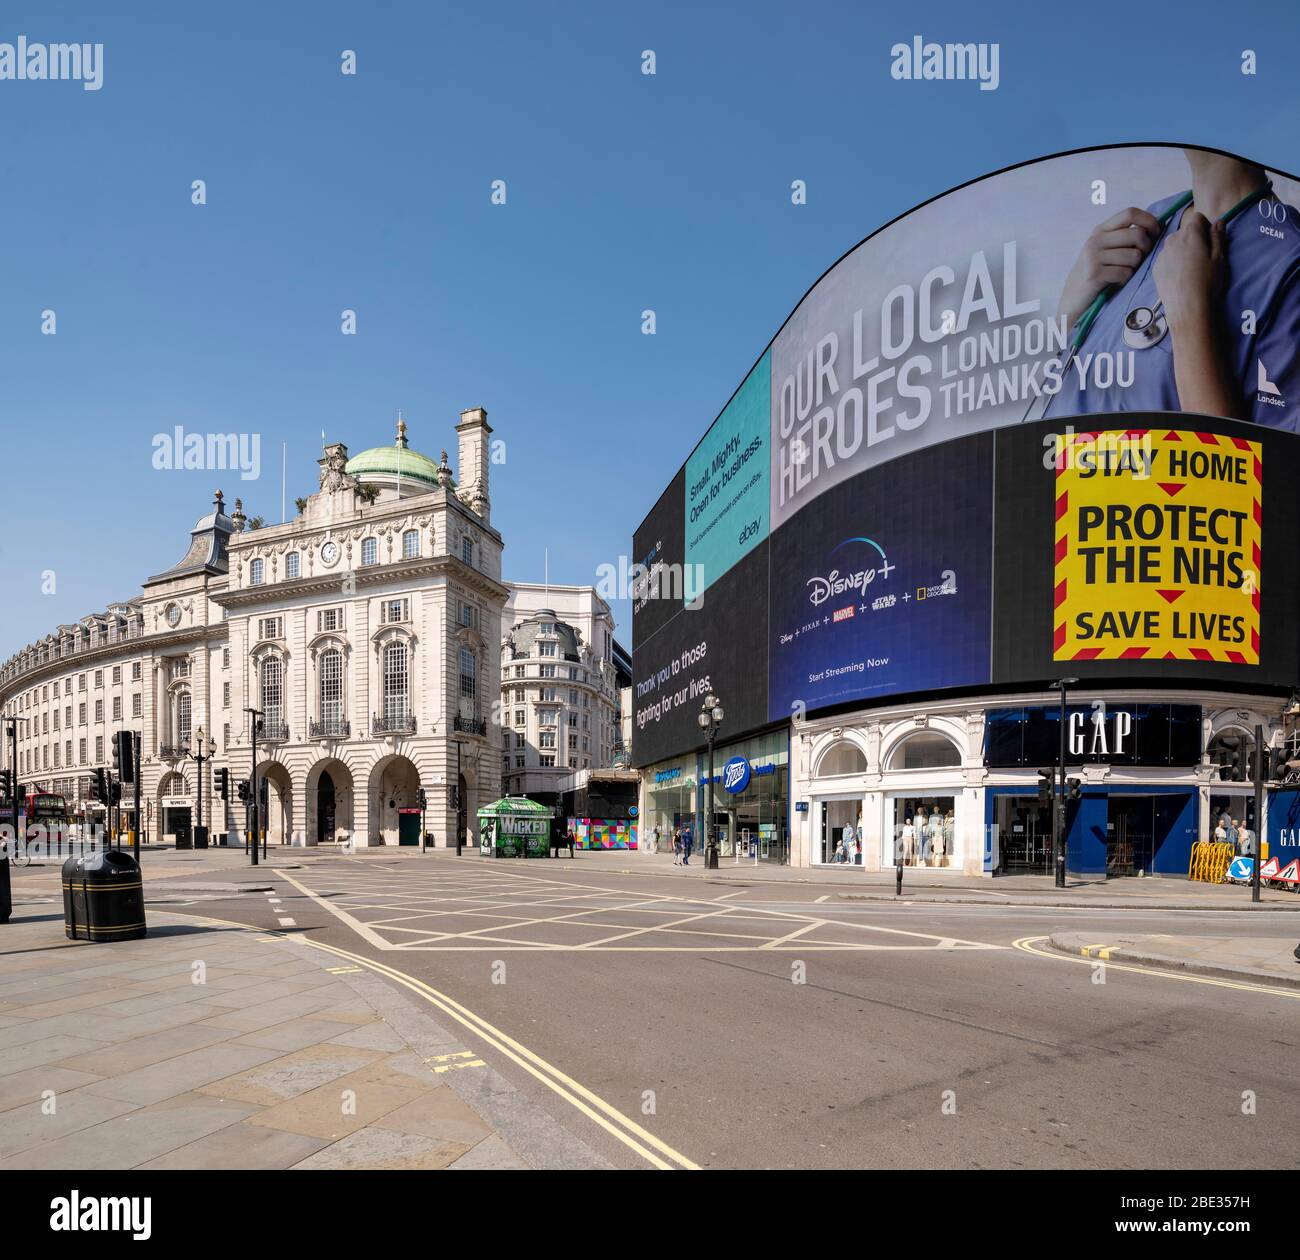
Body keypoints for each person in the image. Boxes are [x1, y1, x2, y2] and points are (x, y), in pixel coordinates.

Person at [1047, 149, 1300, 429]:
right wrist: (1070, 317)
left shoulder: (1287, 266)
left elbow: (1272, 469)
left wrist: (1190, 316)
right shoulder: (1148, 225)